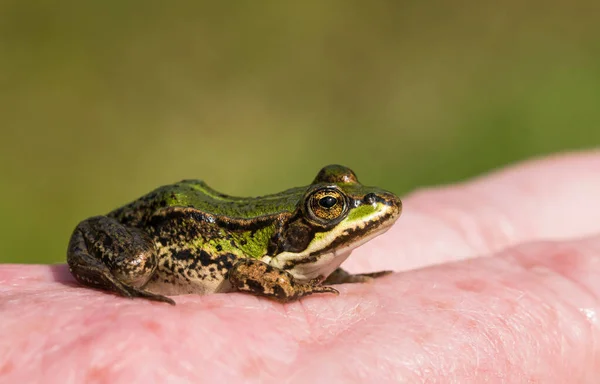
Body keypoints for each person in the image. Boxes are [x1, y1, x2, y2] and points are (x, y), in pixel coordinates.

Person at [2, 150, 599, 382]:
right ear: (300, 222)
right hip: (162, 224)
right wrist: (291, 285)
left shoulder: (300, 241)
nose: (353, 208)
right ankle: (112, 276)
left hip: (194, 203)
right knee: (132, 260)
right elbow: (243, 269)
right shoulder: (262, 254)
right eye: (329, 208)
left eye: (337, 197)